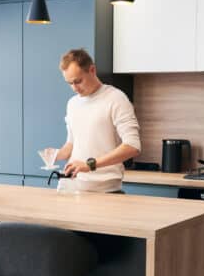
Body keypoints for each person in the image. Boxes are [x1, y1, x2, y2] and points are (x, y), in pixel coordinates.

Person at [50, 48, 141, 193]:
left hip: (104, 190)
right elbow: (72, 143)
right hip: (70, 186)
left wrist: (90, 165)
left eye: (78, 81)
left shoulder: (116, 99)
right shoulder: (72, 103)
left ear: (92, 70)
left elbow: (132, 146)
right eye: (69, 83)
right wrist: (56, 154)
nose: (74, 88)